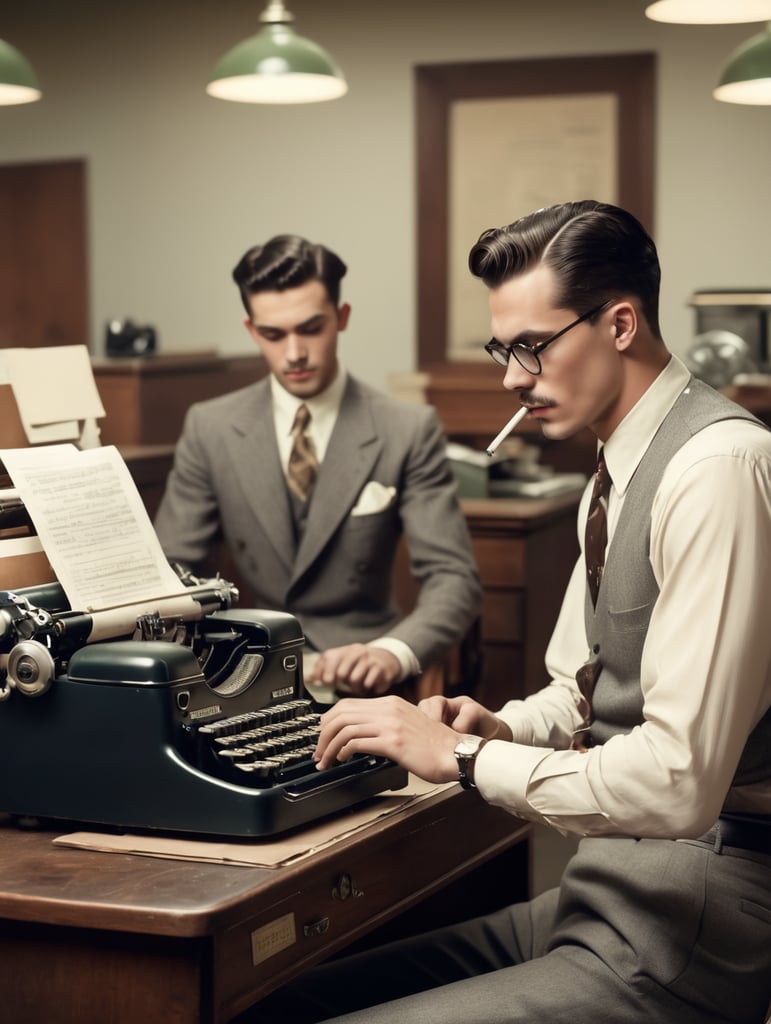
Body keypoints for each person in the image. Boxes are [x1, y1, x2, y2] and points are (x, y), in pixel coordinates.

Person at [241, 201, 771, 1024]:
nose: (511, 378)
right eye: (503, 348)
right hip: (611, 884)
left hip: (698, 909)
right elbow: (578, 689)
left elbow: (678, 783)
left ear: (621, 323)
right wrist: (500, 728)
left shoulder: (720, 469)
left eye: (531, 346)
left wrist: (457, 758)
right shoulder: (609, 471)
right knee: (274, 1001)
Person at [154, 234, 482, 699]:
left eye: (310, 328)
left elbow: (455, 578)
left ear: (341, 318)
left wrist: (392, 652)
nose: (294, 354)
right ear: (251, 331)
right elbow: (168, 572)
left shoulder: (406, 428)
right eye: (273, 334)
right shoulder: (210, 428)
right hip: (248, 678)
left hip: (367, 686)